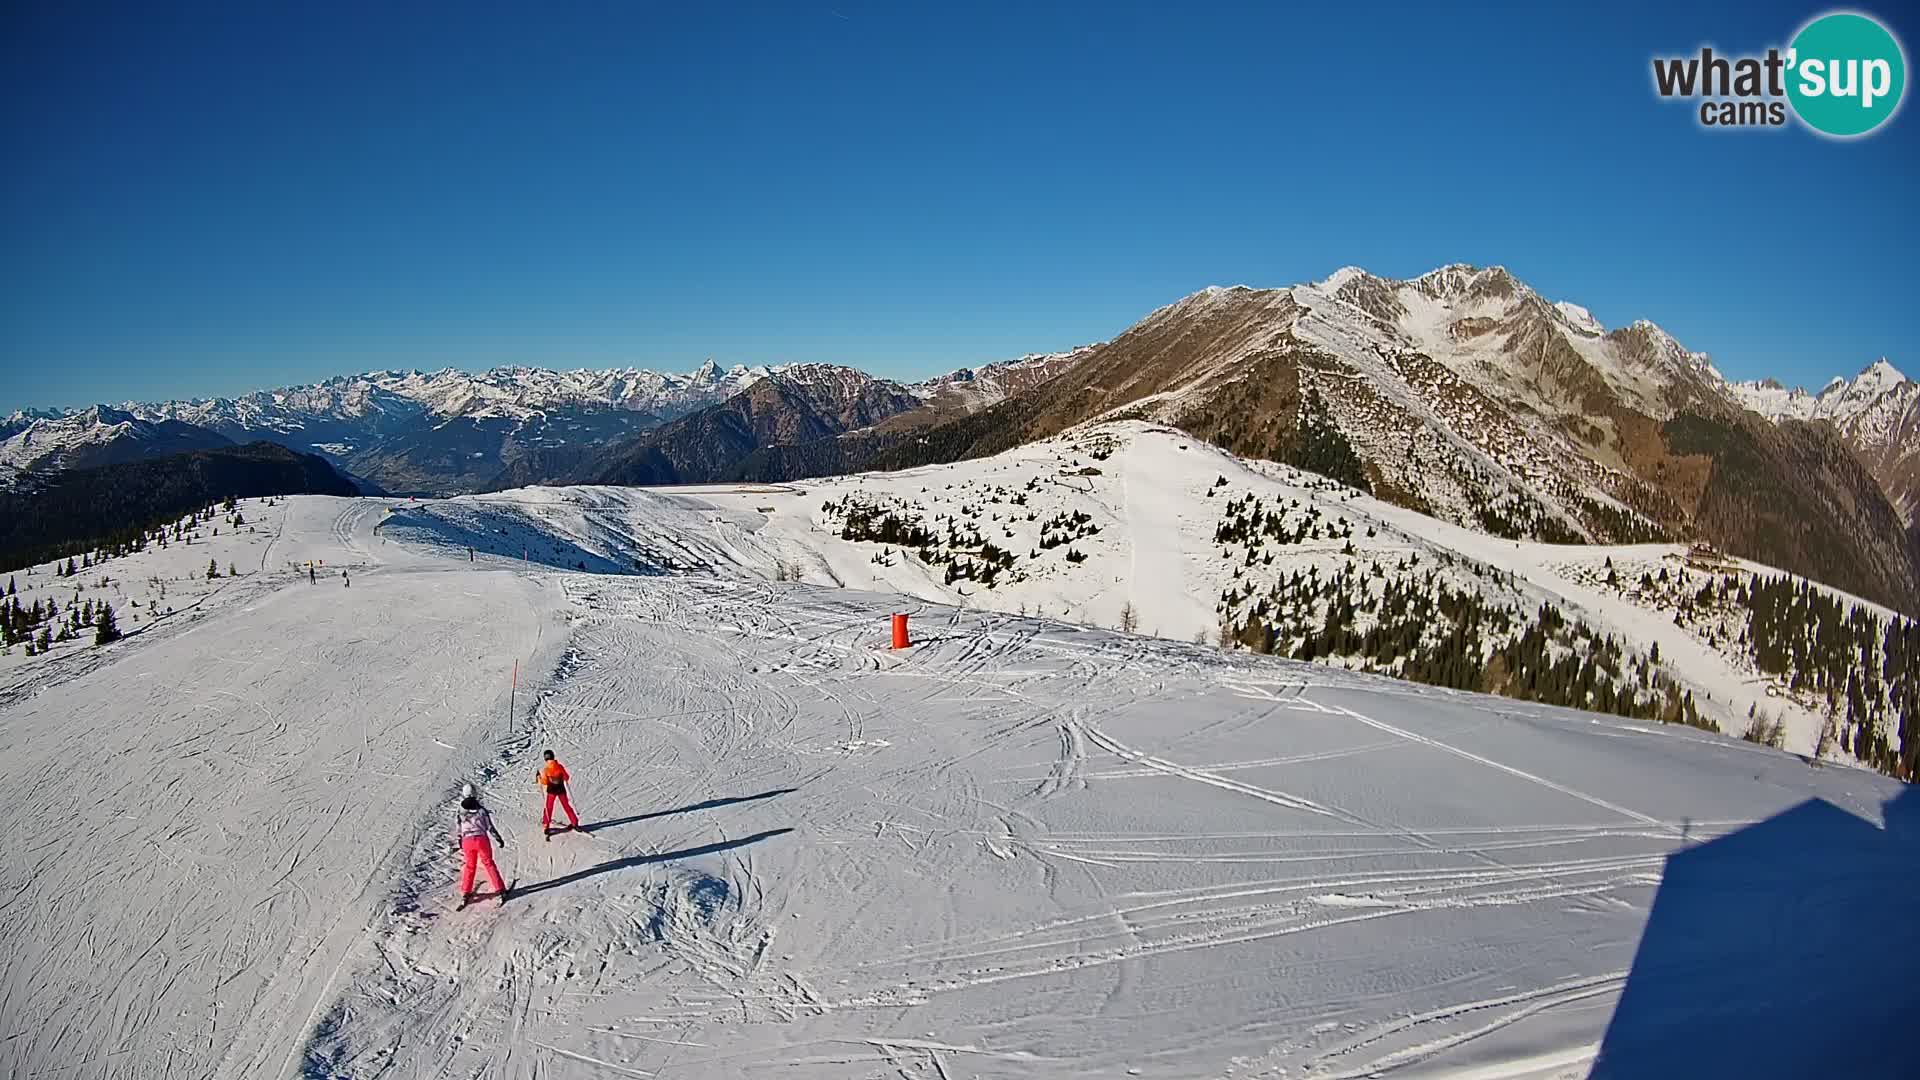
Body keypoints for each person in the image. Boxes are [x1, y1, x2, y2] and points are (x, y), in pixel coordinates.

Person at [454, 783, 509, 908]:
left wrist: (459, 839)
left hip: (467, 841)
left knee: (469, 866)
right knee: (488, 863)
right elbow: (489, 826)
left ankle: (466, 891)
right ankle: (500, 889)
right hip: (481, 840)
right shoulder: (481, 810)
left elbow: (458, 826)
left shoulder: (460, 811)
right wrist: (498, 838)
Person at [537, 750, 580, 838]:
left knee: (548, 807)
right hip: (561, 790)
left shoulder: (546, 770)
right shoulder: (559, 767)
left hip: (551, 792)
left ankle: (546, 825)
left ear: (545, 758)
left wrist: (539, 778)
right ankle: (574, 823)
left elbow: (544, 782)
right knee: (566, 806)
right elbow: (566, 777)